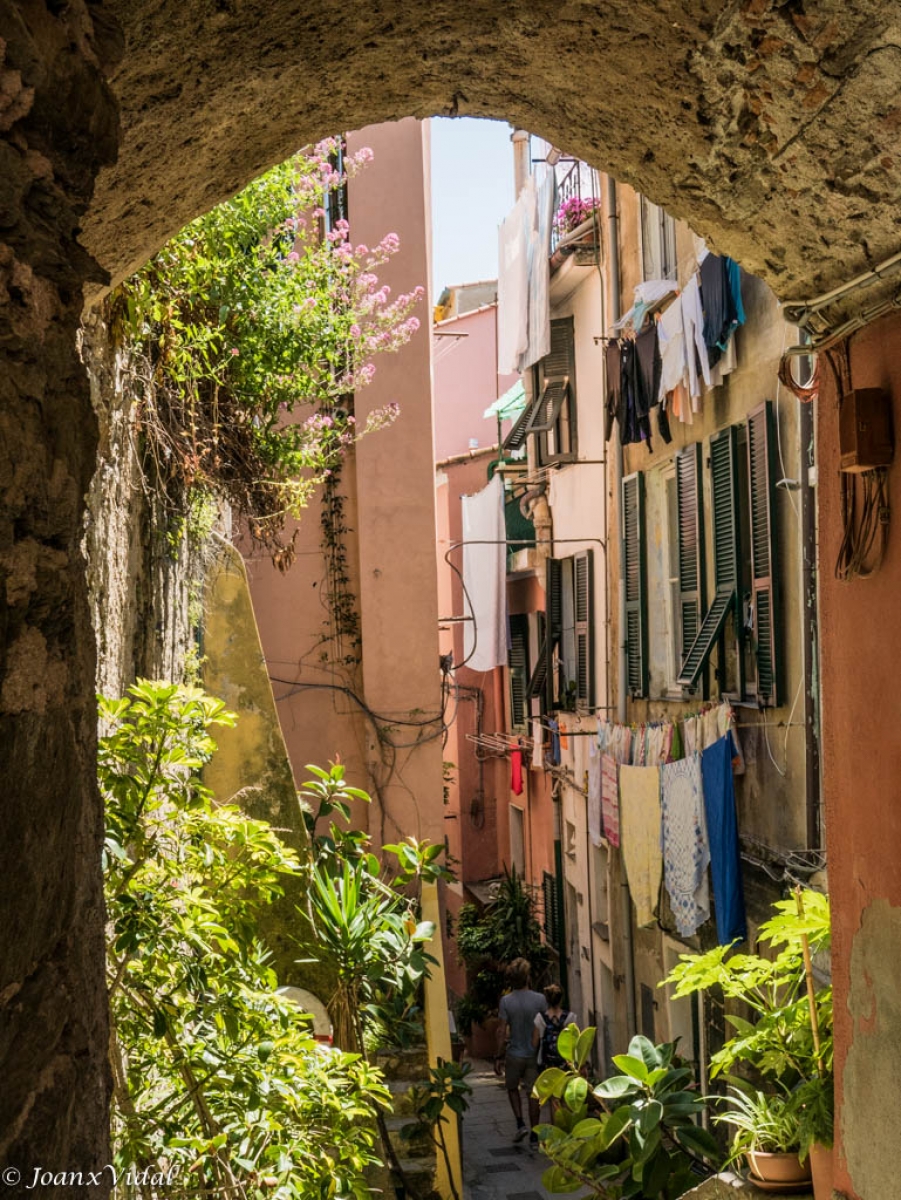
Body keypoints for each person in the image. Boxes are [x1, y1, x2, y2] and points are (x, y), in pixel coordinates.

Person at [495, 957, 547, 1145]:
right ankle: (535, 1132)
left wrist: (498, 1055)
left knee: (512, 1088)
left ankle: (520, 1123)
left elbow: (501, 1030)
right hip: (534, 1055)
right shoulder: (540, 1000)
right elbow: (545, 1026)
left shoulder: (506, 1002)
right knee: (533, 1093)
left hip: (514, 1053)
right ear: (527, 978)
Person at [532, 983, 578, 1070]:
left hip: (546, 1066)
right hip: (565, 1064)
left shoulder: (540, 1018)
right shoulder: (570, 1017)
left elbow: (534, 1042)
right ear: (561, 999)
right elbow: (575, 1042)